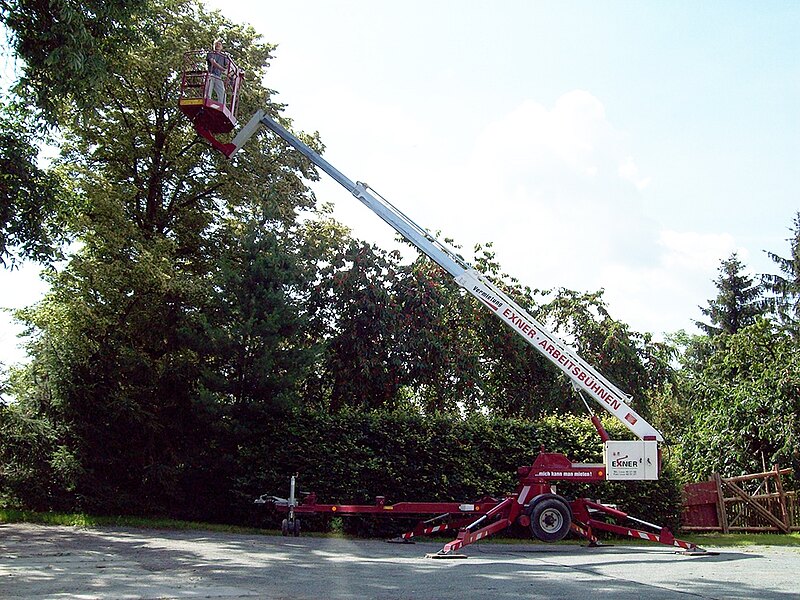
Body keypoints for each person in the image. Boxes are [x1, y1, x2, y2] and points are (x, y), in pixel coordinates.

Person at [206, 39, 230, 105]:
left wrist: (231, 74)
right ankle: (207, 103)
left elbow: (229, 65)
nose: (218, 45)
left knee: (222, 92)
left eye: (219, 44)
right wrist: (223, 70)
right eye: (216, 44)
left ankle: (222, 105)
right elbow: (213, 62)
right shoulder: (210, 54)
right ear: (213, 46)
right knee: (208, 91)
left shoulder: (224, 56)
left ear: (221, 47)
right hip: (210, 74)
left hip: (218, 76)